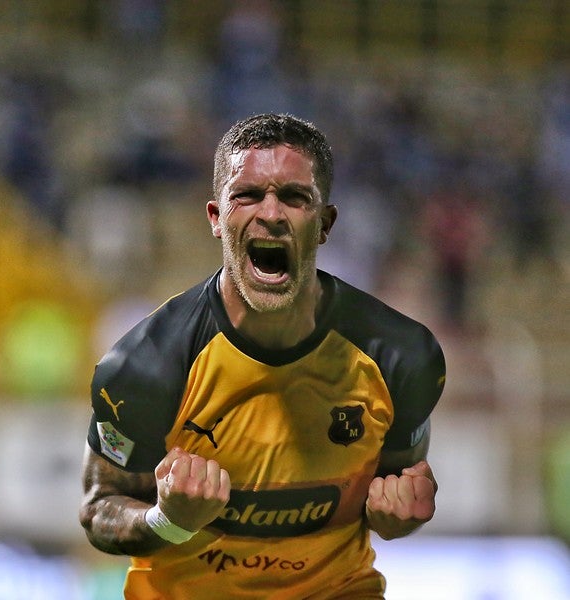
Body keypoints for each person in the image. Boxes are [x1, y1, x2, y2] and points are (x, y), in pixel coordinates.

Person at [79, 113, 446, 599]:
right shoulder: (145, 366)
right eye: (248, 195)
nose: (271, 214)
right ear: (216, 218)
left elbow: (397, 494)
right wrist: (169, 520)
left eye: (294, 197)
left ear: (325, 224)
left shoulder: (401, 358)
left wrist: (401, 516)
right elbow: (99, 508)